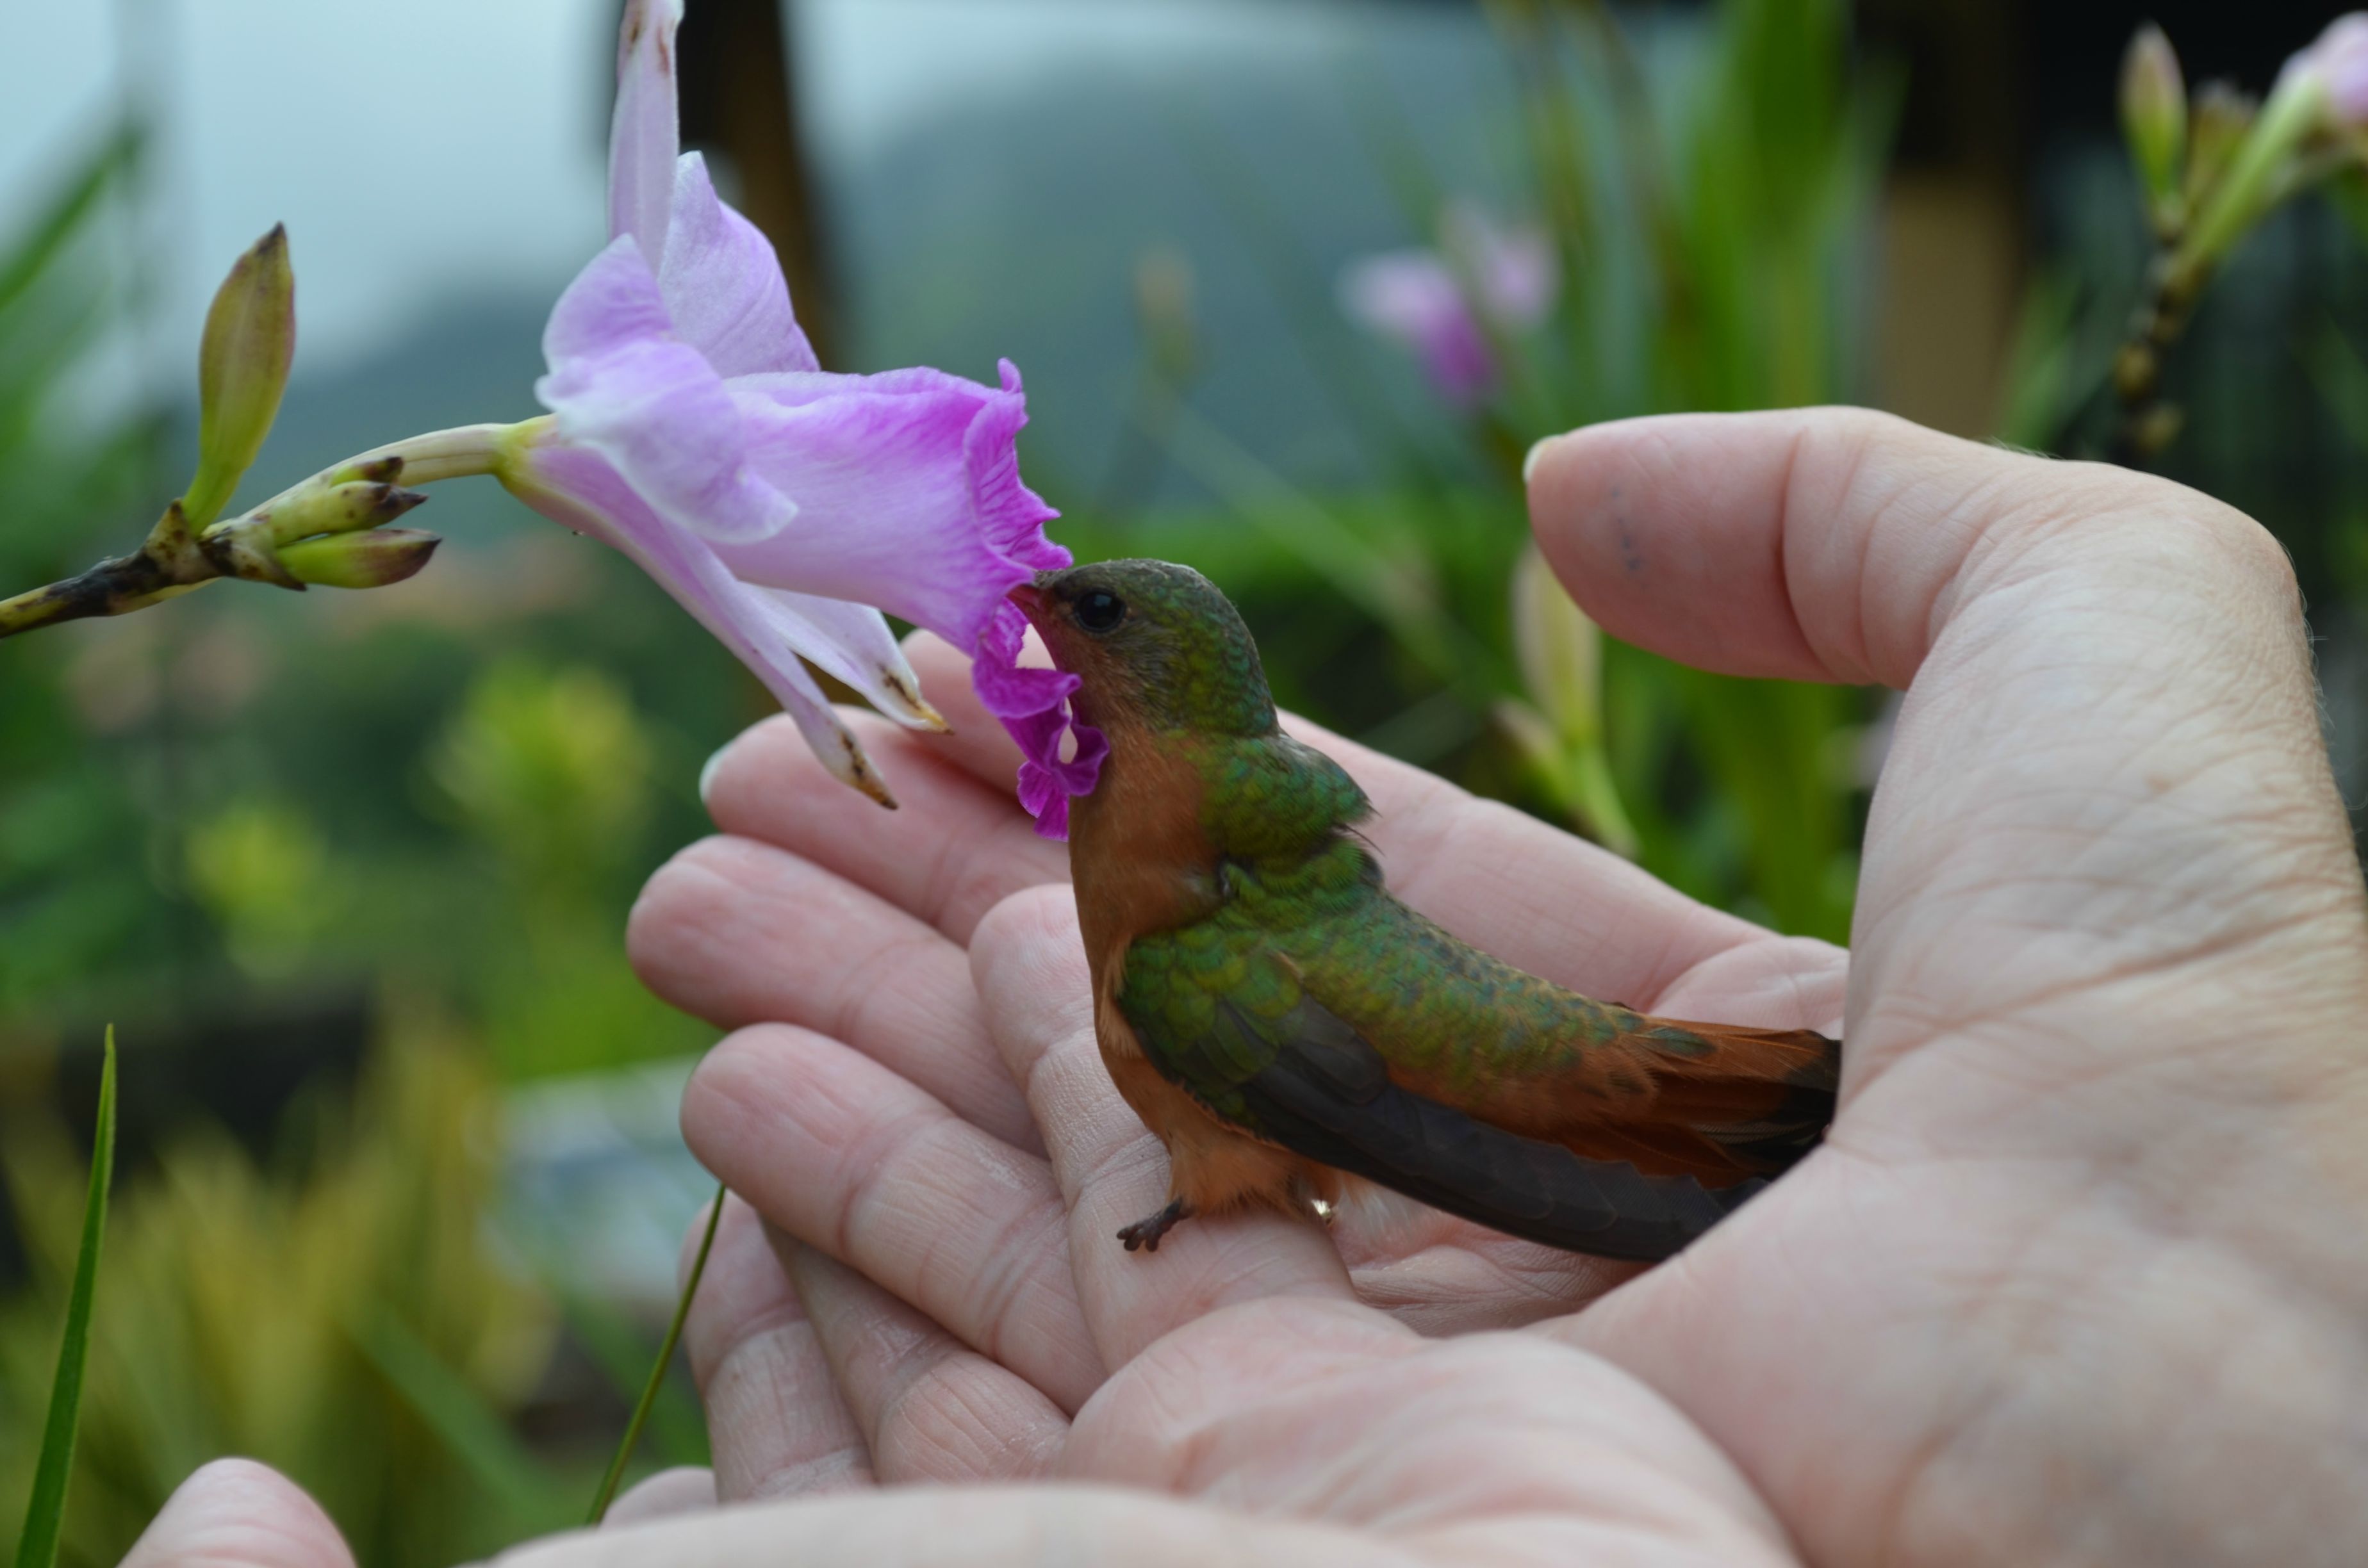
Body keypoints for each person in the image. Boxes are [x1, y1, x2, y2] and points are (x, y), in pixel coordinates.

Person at [124, 410, 2368, 1568]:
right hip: (1383, 1045)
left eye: (1075, 620)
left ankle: (1707, 1123)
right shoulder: (1193, 831)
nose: (1044, 629)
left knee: (1553, 1082)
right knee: (1586, 1077)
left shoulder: (1194, 903)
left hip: (1350, 1074)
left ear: (1149, 686)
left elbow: (1401, 1085)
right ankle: (1722, 1117)